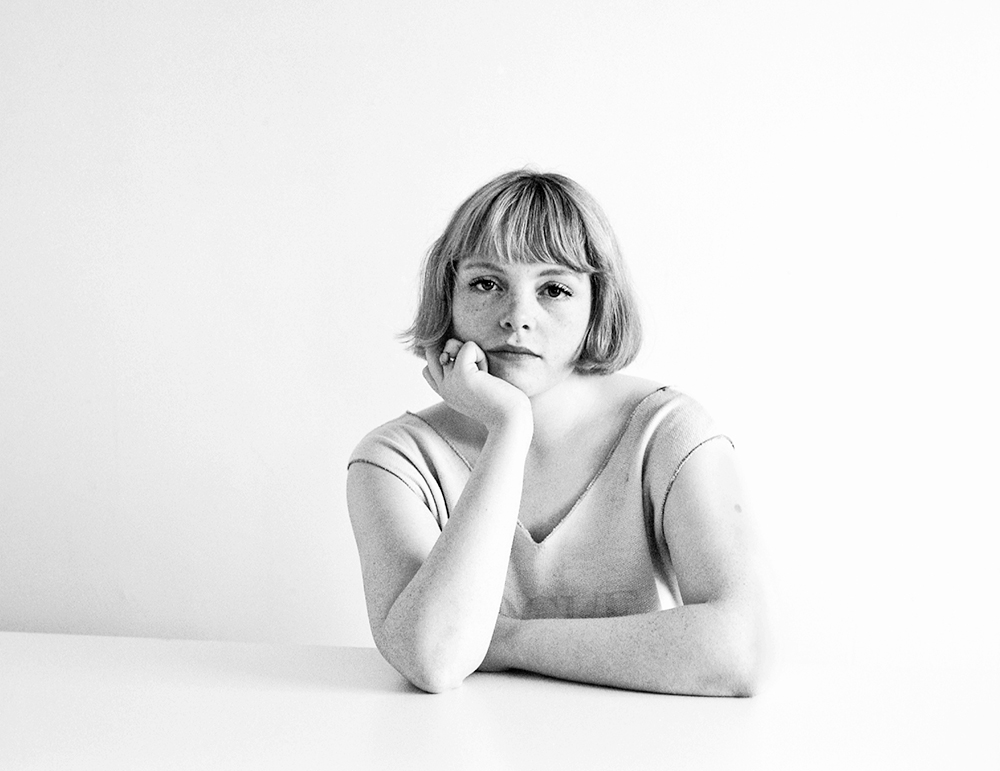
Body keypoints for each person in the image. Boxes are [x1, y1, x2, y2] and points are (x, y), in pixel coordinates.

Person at [346, 170, 769, 695]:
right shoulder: (394, 460)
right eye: (486, 283)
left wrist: (505, 641)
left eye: (554, 289)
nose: (516, 317)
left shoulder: (667, 432)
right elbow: (433, 660)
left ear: (597, 304)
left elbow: (742, 652)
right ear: (447, 296)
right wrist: (508, 428)